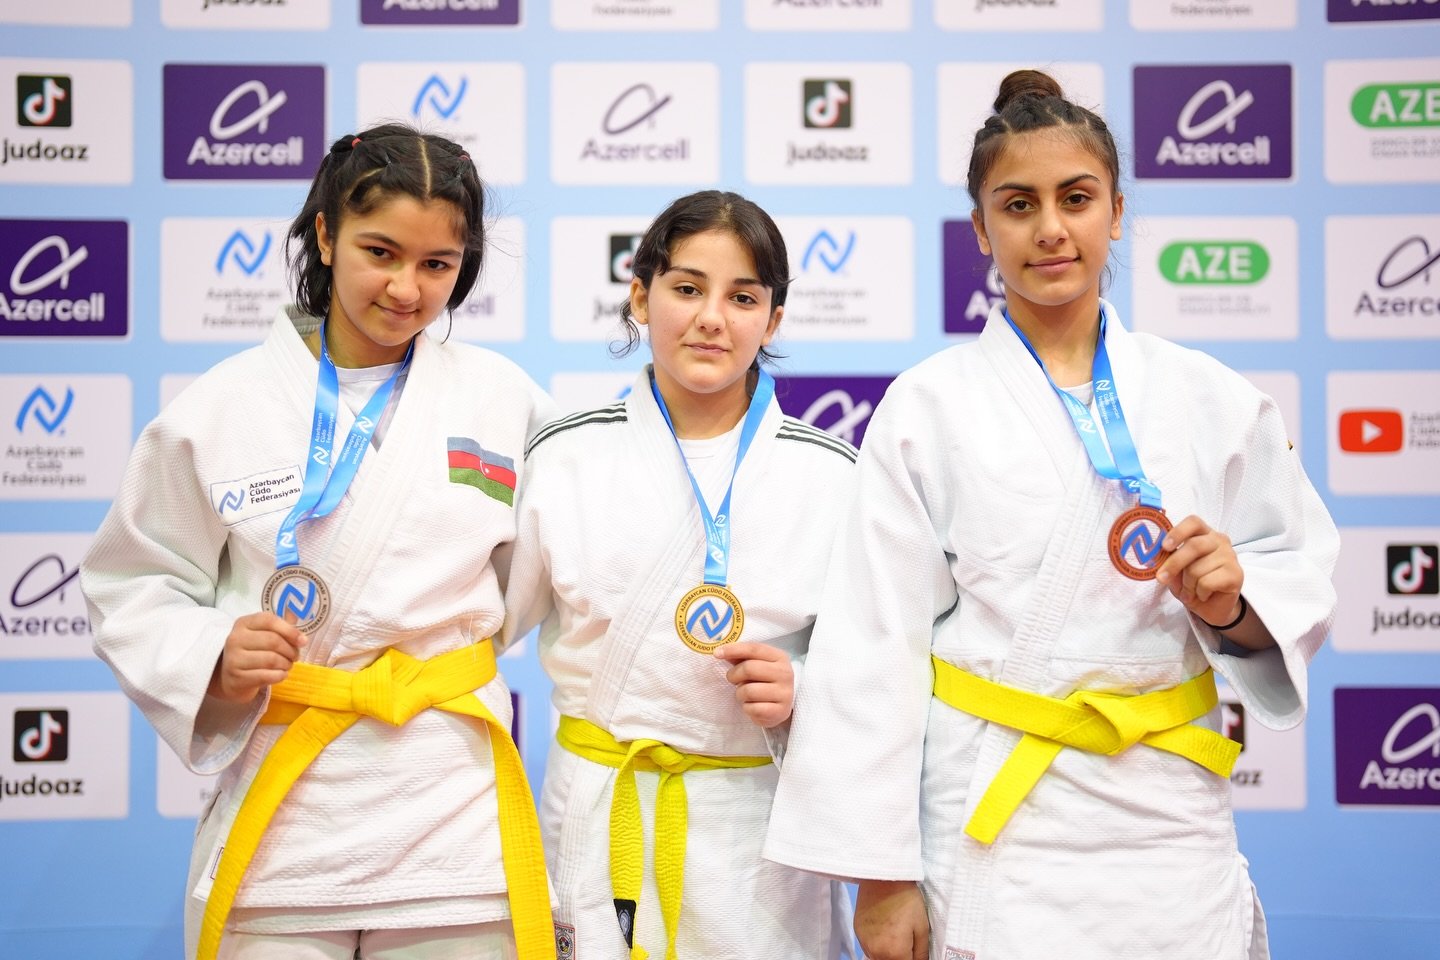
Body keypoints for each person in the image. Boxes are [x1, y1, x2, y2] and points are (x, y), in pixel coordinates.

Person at [764, 70, 1340, 960]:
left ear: (1116, 211)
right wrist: (880, 876)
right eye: (1018, 205)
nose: (1050, 229)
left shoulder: (1211, 397)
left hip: (1168, 818)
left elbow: (1293, 573)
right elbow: (872, 648)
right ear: (981, 230)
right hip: (997, 818)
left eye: (1076, 198)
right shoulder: (928, 407)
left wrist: (1234, 603)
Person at [81, 123, 556, 960]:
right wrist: (214, 652)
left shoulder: (502, 398)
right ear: (328, 236)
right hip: (288, 819)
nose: (406, 288)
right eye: (381, 252)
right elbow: (132, 582)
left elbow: (557, 567)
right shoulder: (220, 408)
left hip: (451, 813)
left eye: (437, 264)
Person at [500, 190, 860, 960]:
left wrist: (803, 688)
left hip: (756, 832)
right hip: (602, 805)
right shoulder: (564, 457)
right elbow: (471, 629)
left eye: (743, 298)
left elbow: (881, 670)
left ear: (774, 320)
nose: (711, 318)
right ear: (640, 296)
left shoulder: (834, 474)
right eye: (688, 288)